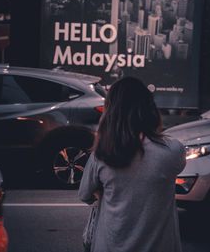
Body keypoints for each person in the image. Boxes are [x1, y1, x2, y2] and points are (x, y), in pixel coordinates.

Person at [79, 77, 186, 252]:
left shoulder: (102, 153)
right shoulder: (173, 150)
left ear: (110, 112)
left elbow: (85, 194)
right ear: (149, 109)